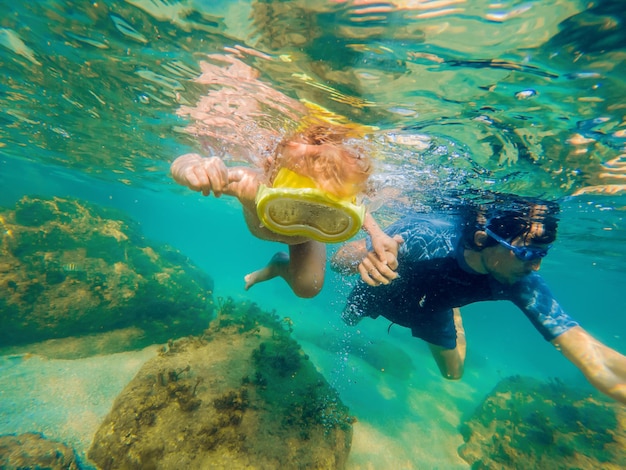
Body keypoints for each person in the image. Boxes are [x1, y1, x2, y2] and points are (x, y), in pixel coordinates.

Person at [331, 194, 626, 404]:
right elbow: (337, 262)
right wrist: (366, 255)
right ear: (487, 239)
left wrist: (606, 375)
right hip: (379, 291)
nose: (536, 266)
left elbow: (590, 352)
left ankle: (454, 312)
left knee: (453, 374)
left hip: (433, 308)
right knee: (346, 320)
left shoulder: (520, 280)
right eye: (528, 253)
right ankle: (453, 307)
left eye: (542, 254)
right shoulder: (424, 235)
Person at [171, 123, 396, 298]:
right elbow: (182, 162)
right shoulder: (250, 186)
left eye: (322, 211)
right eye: (293, 205)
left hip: (305, 241)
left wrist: (377, 235)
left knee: (308, 288)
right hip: (289, 231)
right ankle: (279, 261)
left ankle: (279, 266)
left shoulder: (332, 203)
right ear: (270, 177)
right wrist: (192, 168)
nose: (305, 220)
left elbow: (357, 207)